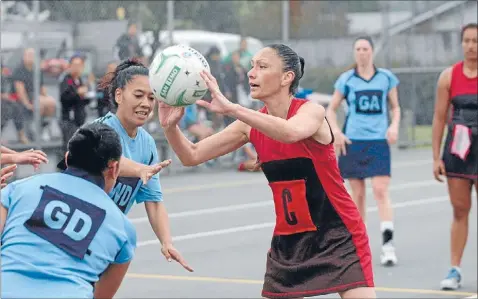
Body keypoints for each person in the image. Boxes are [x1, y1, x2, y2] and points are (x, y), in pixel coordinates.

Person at [158, 44, 375, 299]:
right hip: (289, 242)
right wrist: (169, 127)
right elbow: (191, 155)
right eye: (252, 66)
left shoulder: (311, 112)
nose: (252, 73)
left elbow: (289, 132)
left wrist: (232, 108)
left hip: (337, 234)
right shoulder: (248, 126)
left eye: (262, 67)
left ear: (287, 77)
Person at [57, 58, 192, 272]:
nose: (146, 104)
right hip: (72, 232)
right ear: (119, 95)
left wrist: (167, 242)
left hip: (105, 237)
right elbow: (103, 158)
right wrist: (140, 169)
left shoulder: (147, 144)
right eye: (138, 95)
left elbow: (154, 201)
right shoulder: (97, 130)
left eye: (151, 97)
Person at [1, 122, 136, 298]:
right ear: (114, 168)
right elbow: (102, 296)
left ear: (66, 158)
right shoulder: (124, 229)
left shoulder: (17, 189)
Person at [325, 36, 401, 267]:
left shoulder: (386, 78)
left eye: (365, 48)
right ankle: (360, 245)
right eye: (357, 49)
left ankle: (388, 245)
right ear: (354, 52)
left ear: (372, 52)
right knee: (357, 196)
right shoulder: (347, 80)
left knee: (380, 190)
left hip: (378, 142)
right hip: (353, 142)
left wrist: (394, 125)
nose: (361, 52)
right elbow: (331, 109)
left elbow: (395, 107)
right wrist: (336, 132)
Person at [431, 22, 478, 291]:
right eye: (467, 41)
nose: (471, 46)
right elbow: (439, 118)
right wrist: (435, 157)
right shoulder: (449, 76)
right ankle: (454, 270)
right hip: (458, 152)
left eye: (476, 41)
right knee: (460, 210)